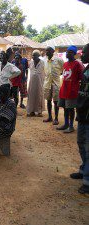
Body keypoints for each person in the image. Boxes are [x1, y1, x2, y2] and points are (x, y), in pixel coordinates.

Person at [70, 43, 89, 194]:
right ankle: (84, 170)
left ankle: (87, 181)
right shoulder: (86, 69)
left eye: (84, 53)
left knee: (88, 147)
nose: (82, 55)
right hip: (83, 114)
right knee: (81, 143)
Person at [57, 45, 83, 133]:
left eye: (70, 52)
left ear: (74, 54)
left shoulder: (77, 64)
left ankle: (71, 126)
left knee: (71, 109)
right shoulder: (65, 64)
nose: (68, 53)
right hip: (64, 89)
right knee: (65, 108)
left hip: (72, 91)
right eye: (67, 52)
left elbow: (81, 78)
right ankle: (66, 124)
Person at [43, 46, 64, 125]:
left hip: (56, 84)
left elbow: (63, 69)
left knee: (56, 102)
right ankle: (50, 117)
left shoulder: (58, 60)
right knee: (48, 101)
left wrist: (58, 74)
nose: (46, 52)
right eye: (46, 51)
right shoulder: (45, 61)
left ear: (53, 51)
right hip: (47, 84)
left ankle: (56, 118)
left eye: (48, 51)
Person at [27, 50, 46, 117]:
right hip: (32, 83)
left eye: (35, 55)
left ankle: (39, 112)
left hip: (40, 83)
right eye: (33, 55)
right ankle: (31, 111)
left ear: (38, 56)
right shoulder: (31, 63)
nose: (33, 56)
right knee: (31, 96)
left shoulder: (43, 63)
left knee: (39, 96)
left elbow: (45, 73)